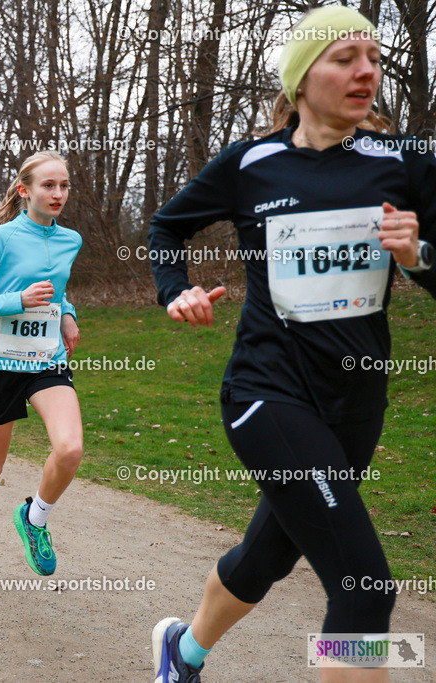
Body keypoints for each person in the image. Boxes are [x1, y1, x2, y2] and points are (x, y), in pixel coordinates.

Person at [147, 8, 436, 682]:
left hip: (355, 401)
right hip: (267, 393)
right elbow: (166, 227)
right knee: (365, 584)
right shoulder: (251, 163)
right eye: (344, 57)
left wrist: (419, 256)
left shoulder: (407, 163)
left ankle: (180, 653)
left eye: (373, 55)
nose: (366, 70)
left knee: (269, 555)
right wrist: (173, 291)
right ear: (303, 79)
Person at [0, 151, 83, 590]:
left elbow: (59, 291)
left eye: (63, 185)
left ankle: (34, 517)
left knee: (69, 449)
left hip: (46, 361)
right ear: (25, 190)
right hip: (2, 364)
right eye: (48, 185)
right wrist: (17, 300)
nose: (58, 193)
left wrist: (68, 315)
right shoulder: (0, 239)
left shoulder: (71, 240)